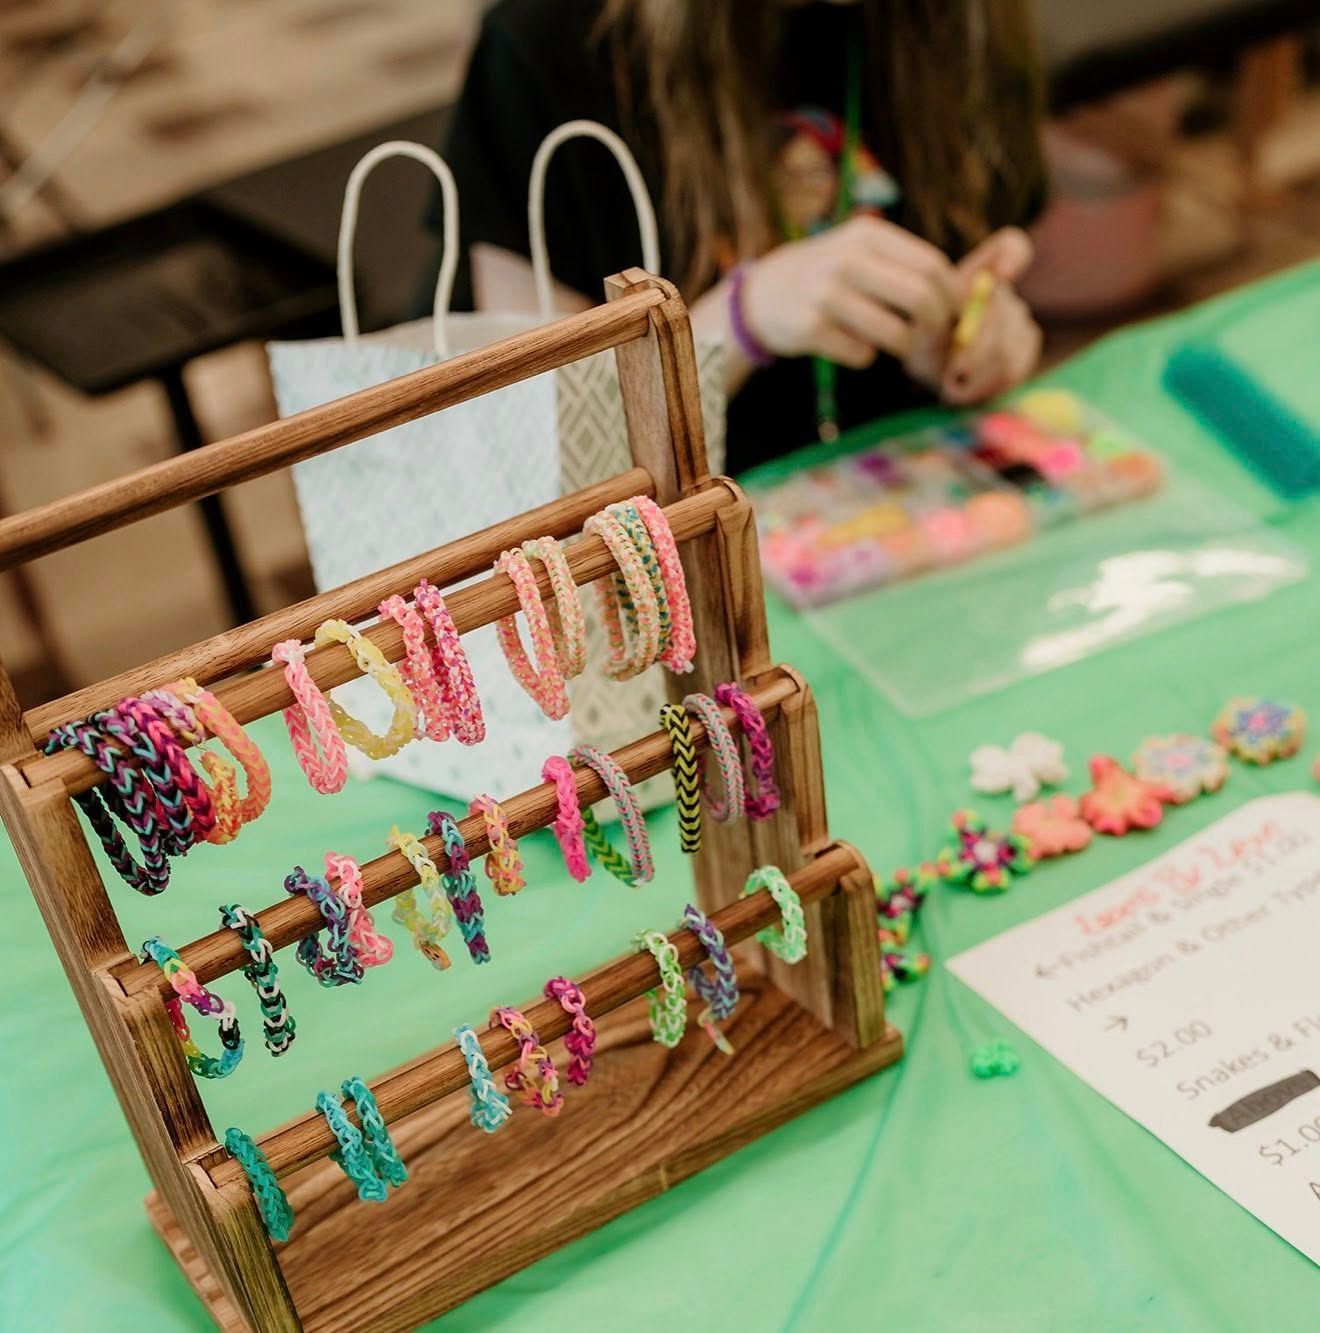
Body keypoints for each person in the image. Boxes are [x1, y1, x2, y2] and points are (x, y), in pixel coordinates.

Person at [440, 0, 1047, 473]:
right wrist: (740, 317)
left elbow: (970, 281)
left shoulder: (953, 26)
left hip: (900, 513)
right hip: (669, 570)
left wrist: (960, 340)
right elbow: (541, 441)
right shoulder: (545, 49)